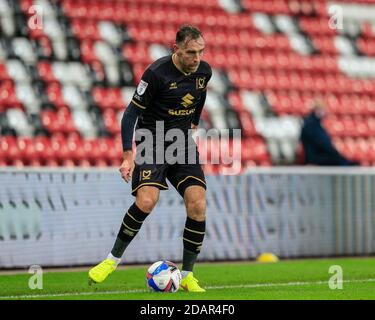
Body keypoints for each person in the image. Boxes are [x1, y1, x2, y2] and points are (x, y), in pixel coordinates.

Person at [88, 25, 212, 292]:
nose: (197, 58)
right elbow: (130, 114)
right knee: (146, 201)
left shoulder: (204, 71)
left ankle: (189, 275)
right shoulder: (156, 74)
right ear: (175, 49)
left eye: (201, 52)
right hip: (152, 142)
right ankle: (111, 261)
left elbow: (199, 97)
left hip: (181, 144)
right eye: (191, 52)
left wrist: (194, 123)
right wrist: (127, 155)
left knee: (198, 204)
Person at [300, 101, 359, 166]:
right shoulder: (312, 125)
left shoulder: (313, 123)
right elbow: (324, 144)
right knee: (340, 161)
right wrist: (335, 154)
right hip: (316, 158)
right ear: (317, 110)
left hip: (317, 156)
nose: (325, 112)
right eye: (323, 110)